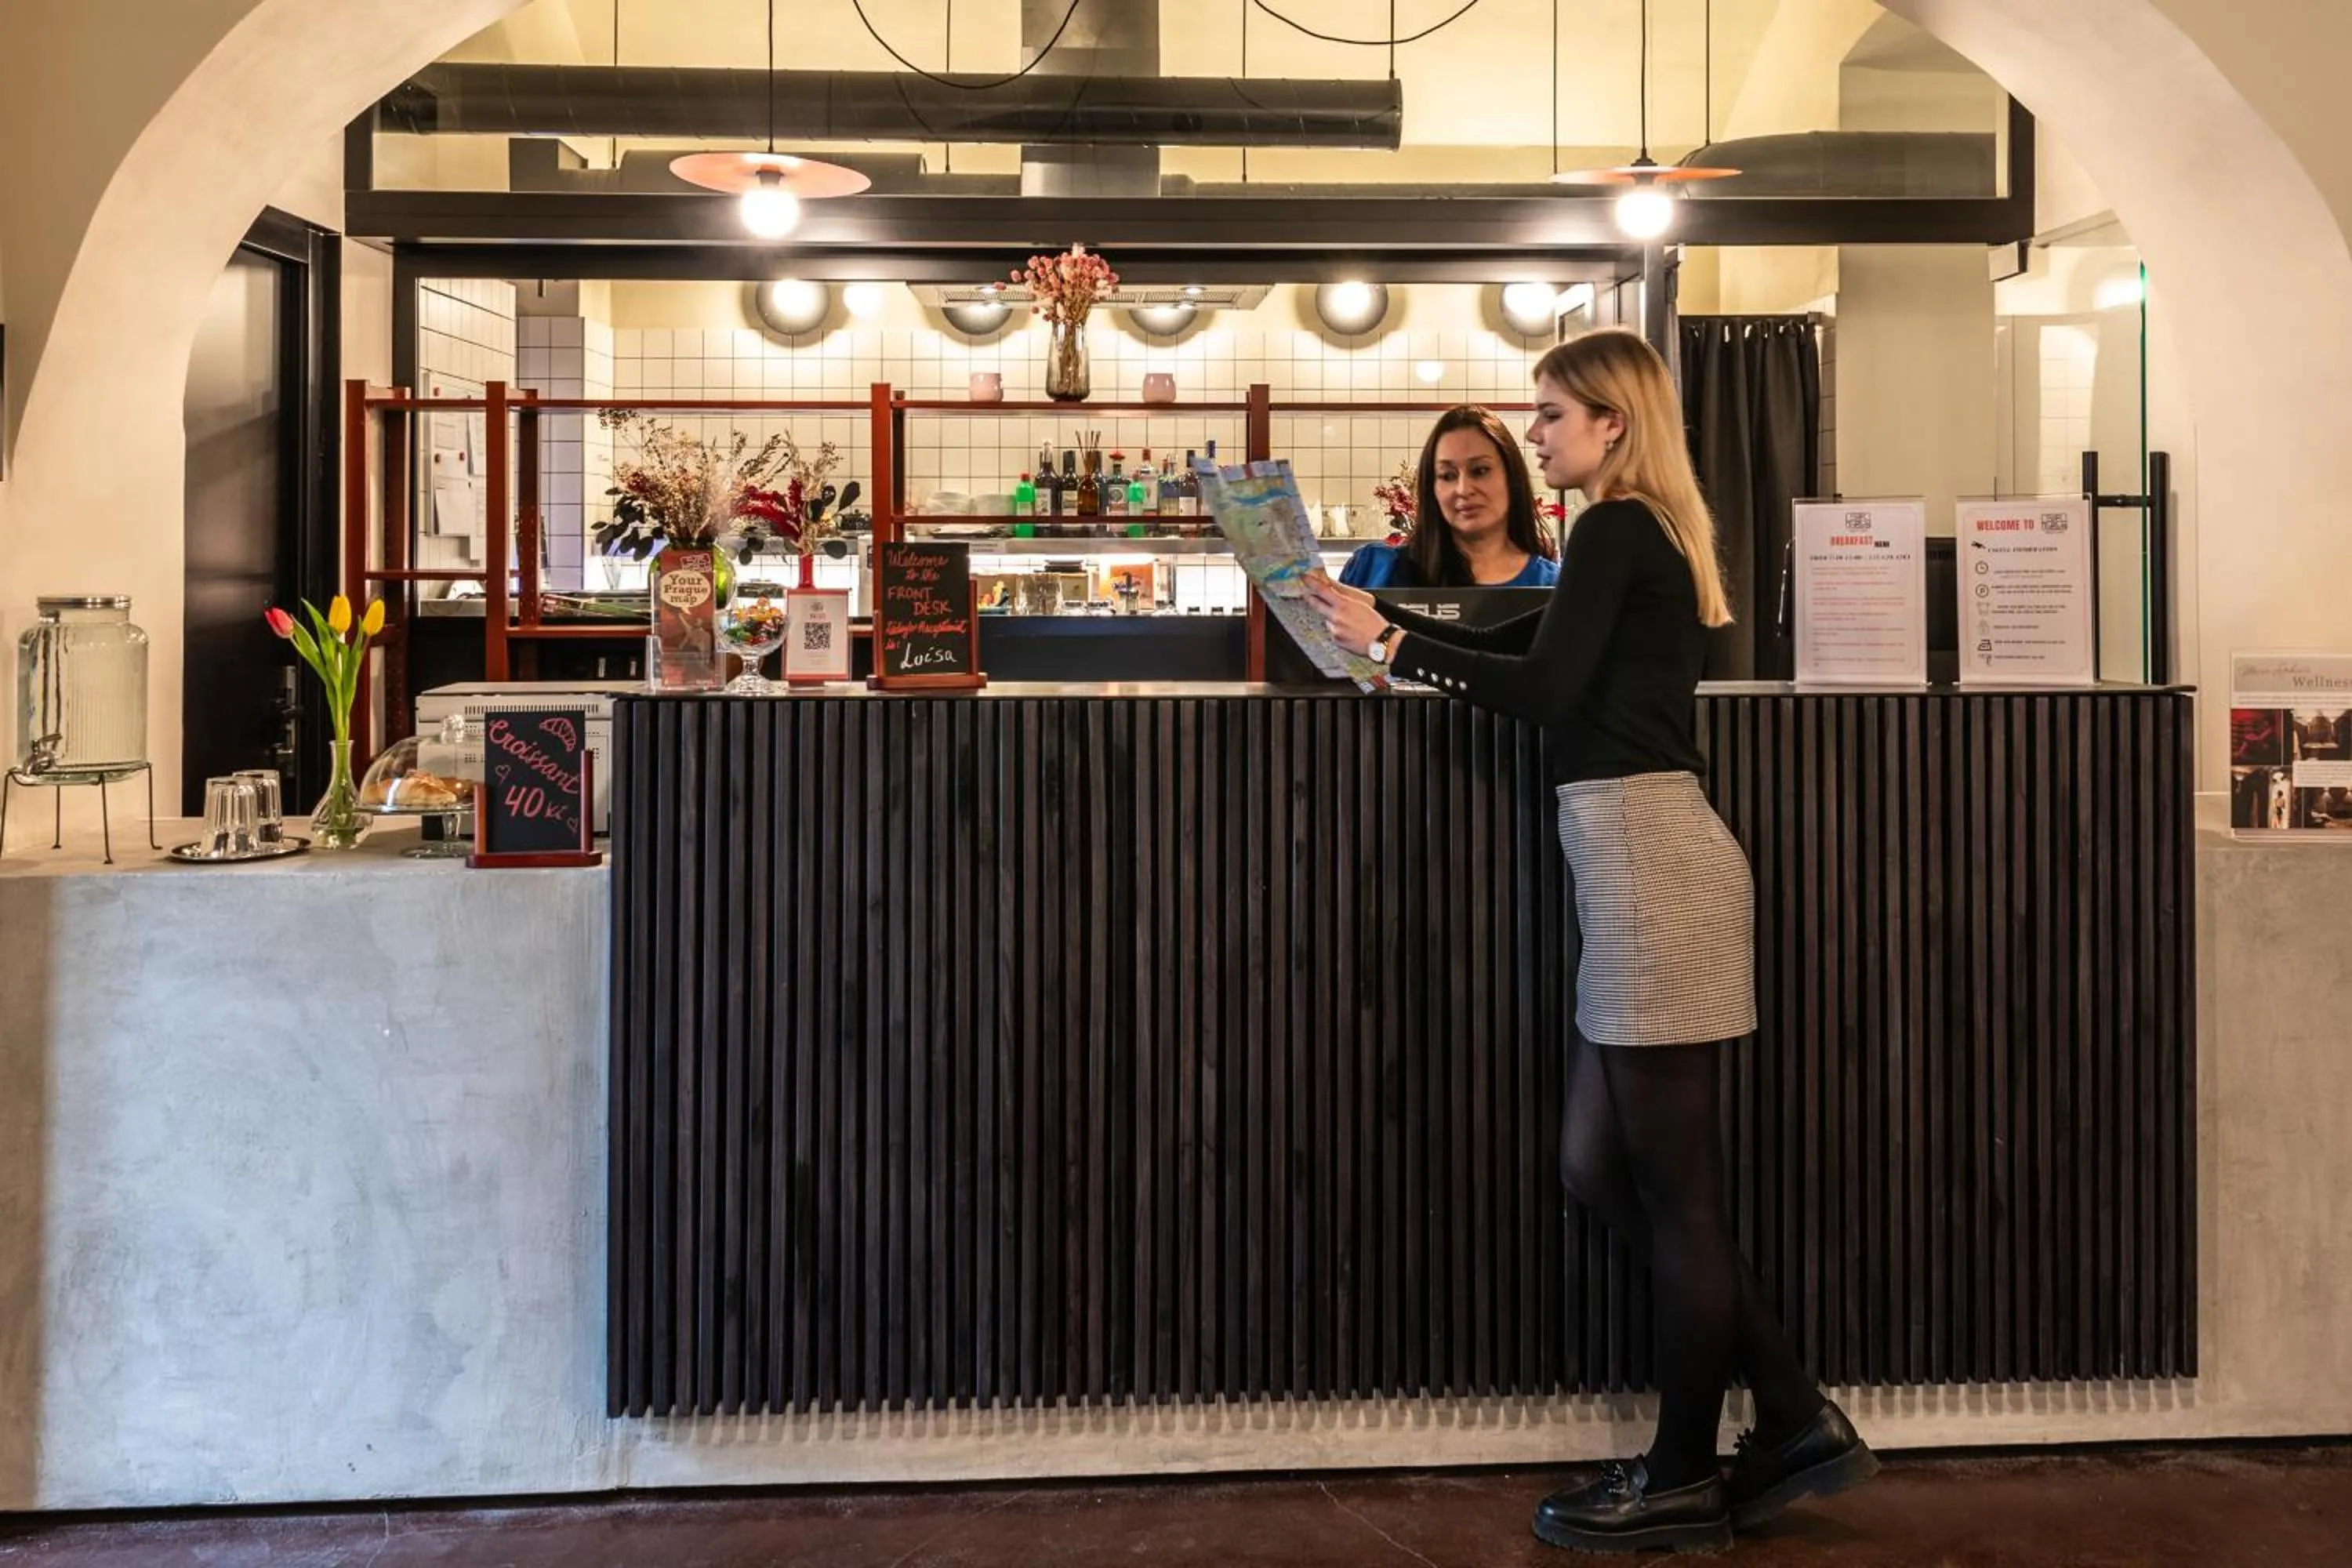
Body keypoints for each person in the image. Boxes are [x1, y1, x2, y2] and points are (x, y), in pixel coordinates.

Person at [1307, 329, 1876, 1555]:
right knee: (1598, 1167)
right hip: (1635, 864)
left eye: (1553, 415)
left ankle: (1682, 1473)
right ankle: (1789, 1414)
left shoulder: (1617, 527)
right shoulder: (1636, 532)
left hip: (1648, 866)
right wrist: (1385, 615)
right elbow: (1537, 647)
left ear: (1611, 422)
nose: (1540, 434)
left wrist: (1395, 647)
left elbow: (1547, 692)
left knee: (1678, 1197)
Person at [1338, 405, 1560, 590]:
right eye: (1448, 475)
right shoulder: (1375, 570)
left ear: (1512, 478)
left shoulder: (1550, 585)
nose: (1463, 489)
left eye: (1480, 470)